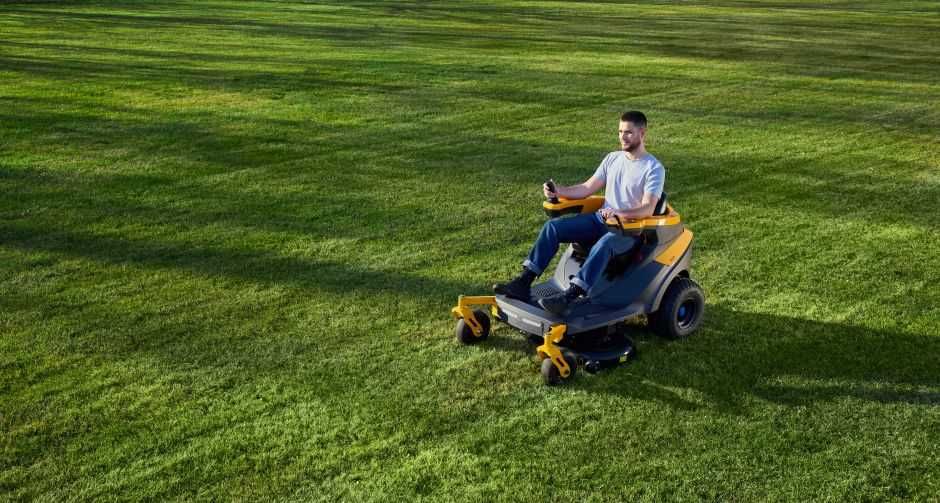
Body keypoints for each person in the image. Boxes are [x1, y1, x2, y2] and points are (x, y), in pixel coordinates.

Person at [493, 110, 665, 315]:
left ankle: (570, 296)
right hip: (601, 218)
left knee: (605, 243)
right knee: (553, 227)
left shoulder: (653, 168)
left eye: (628, 132)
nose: (622, 137)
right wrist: (559, 190)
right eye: (620, 131)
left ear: (642, 133)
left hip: (629, 230)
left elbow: (648, 208)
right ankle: (524, 281)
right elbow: (587, 187)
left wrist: (619, 214)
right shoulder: (613, 158)